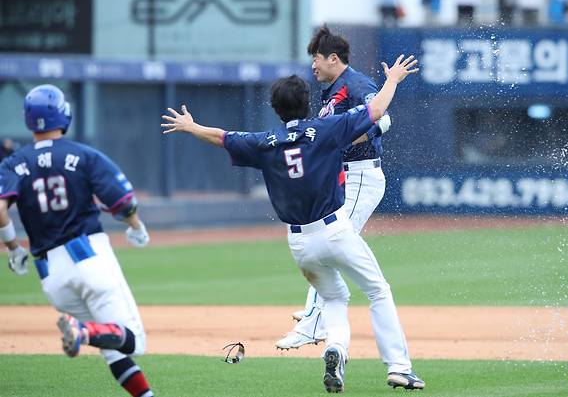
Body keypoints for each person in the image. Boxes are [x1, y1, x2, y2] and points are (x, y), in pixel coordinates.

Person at [162, 55, 425, 392]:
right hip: (335, 229)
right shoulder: (327, 129)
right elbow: (375, 111)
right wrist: (393, 80)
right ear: (307, 103)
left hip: (300, 244)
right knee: (377, 291)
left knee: (333, 298)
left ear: (275, 107)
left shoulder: (264, 143)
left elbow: (223, 137)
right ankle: (399, 368)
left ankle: (335, 349)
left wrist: (191, 126)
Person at [0, 84, 154, 397]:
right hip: (88, 259)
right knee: (135, 341)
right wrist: (137, 228)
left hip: (51, 278)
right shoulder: (81, 154)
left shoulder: (13, 162)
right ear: (62, 114)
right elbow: (123, 204)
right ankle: (82, 331)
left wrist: (13, 247)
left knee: (113, 349)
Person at [274, 25, 392, 353]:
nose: (313, 65)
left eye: (317, 58)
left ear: (333, 59)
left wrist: (343, 141)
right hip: (344, 176)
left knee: (329, 242)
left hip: (361, 177)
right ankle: (315, 317)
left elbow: (383, 121)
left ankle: (312, 324)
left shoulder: (356, 84)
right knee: (328, 246)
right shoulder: (331, 89)